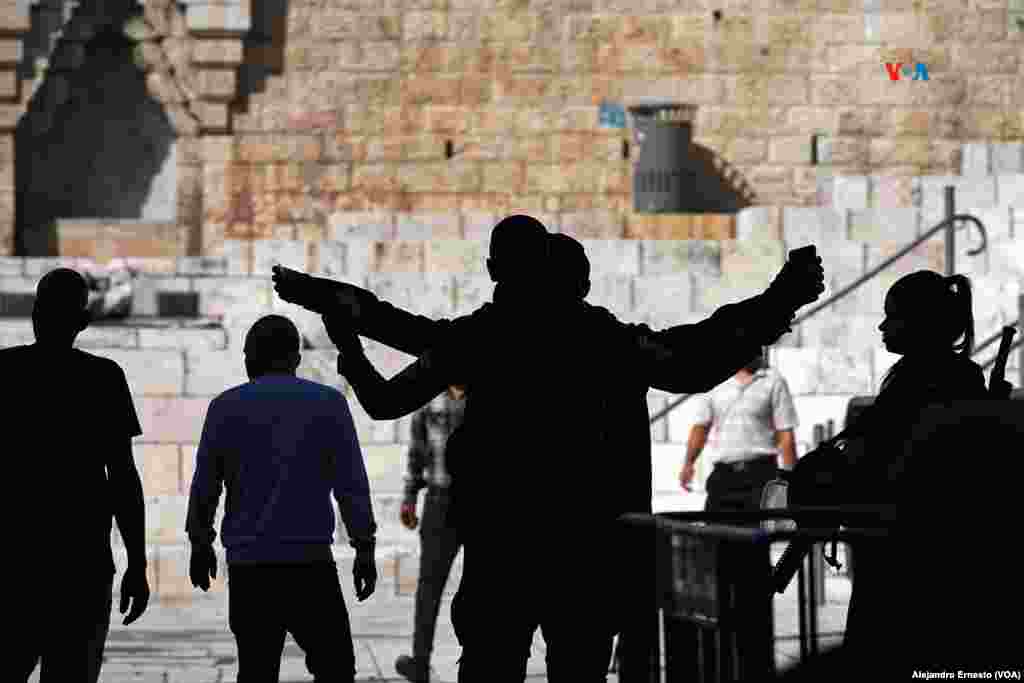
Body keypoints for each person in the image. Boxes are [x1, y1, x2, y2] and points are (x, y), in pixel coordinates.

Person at [301, 220, 824, 682]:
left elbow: (400, 364)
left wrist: (349, 328)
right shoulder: (602, 339)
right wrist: (777, 301)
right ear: (576, 281)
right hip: (584, 549)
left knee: (491, 662)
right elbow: (688, 358)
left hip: (505, 545)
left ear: (496, 268)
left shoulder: (485, 335)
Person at [788, 270, 989, 674]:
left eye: (892, 316)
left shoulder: (927, 381)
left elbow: (889, 457)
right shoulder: (932, 377)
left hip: (911, 554)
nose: (882, 326)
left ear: (920, 323)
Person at [185, 314, 378, 683]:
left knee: (256, 670)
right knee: (336, 668)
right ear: (296, 357)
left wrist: (200, 541)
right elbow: (351, 482)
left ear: (252, 356)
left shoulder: (226, 407)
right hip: (310, 565)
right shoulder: (328, 405)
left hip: (250, 568)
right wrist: (364, 545)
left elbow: (206, 484)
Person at [7, 267, 149, 683]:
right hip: (81, 563)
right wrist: (137, 563)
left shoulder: (5, 372)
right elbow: (122, 476)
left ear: (34, 313)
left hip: (14, 560)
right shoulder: (103, 378)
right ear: (83, 322)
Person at [394, 384, 467, 683]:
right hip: (440, 500)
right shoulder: (429, 397)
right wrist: (410, 497)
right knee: (429, 586)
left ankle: (478, 657)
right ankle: (420, 661)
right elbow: (417, 449)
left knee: (484, 586)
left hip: (483, 502)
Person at [679, 349, 799, 515]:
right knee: (716, 535)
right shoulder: (715, 381)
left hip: (761, 476)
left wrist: (790, 480)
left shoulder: (774, 381)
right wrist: (688, 463)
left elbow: (785, 434)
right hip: (724, 477)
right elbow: (701, 427)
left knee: (757, 537)